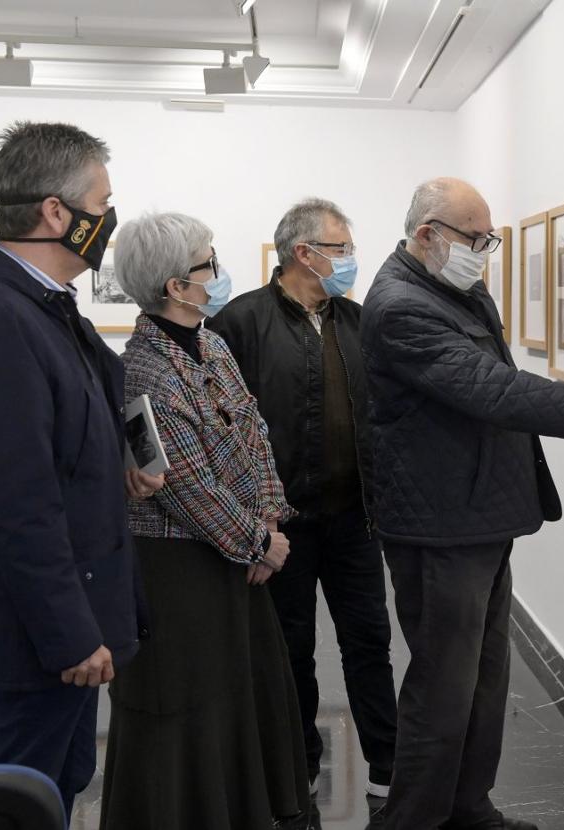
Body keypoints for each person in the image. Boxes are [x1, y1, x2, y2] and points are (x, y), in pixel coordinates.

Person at [360, 177, 564, 830]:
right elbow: (496, 390)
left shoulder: (452, 288)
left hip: (477, 515)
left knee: (483, 682)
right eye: (474, 239)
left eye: (490, 239)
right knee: (441, 694)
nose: (484, 251)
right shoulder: (402, 305)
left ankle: (467, 809)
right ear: (427, 234)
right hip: (439, 527)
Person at [0, 121, 160, 822]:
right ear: (57, 212)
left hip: (68, 617)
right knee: (10, 804)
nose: (108, 221)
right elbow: (16, 501)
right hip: (40, 637)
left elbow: (69, 427)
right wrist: (70, 634)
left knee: (59, 782)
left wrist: (121, 457)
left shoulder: (42, 310)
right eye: (102, 204)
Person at [99, 212, 311, 830]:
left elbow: (254, 431)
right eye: (207, 264)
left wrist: (269, 520)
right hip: (182, 568)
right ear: (175, 286)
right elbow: (184, 485)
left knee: (245, 697)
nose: (217, 274)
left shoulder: (213, 343)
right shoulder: (145, 370)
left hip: (239, 549)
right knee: (192, 706)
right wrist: (257, 545)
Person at [208, 199, 398, 801]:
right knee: (289, 652)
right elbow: (220, 431)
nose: (349, 260)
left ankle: (388, 765)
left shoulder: (359, 320)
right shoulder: (240, 323)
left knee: (368, 641)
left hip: (355, 520)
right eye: (340, 248)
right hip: (280, 529)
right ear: (303, 253)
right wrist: (249, 525)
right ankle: (297, 764)